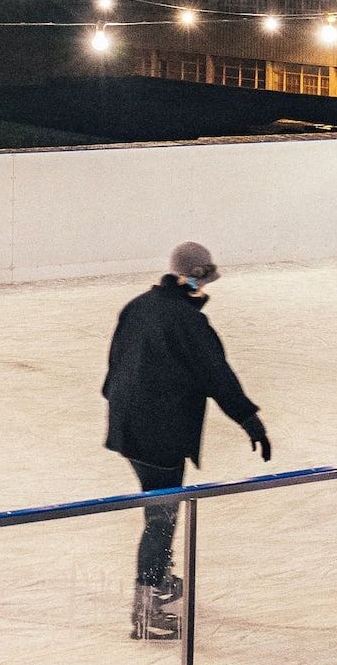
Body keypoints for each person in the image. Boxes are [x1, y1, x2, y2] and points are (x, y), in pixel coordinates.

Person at [102, 243, 272, 641]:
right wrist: (251, 421)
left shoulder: (138, 305)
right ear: (196, 279)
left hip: (128, 425)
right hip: (159, 432)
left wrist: (122, 405)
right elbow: (219, 377)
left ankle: (157, 576)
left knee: (159, 510)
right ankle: (147, 608)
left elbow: (115, 364)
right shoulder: (189, 323)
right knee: (161, 518)